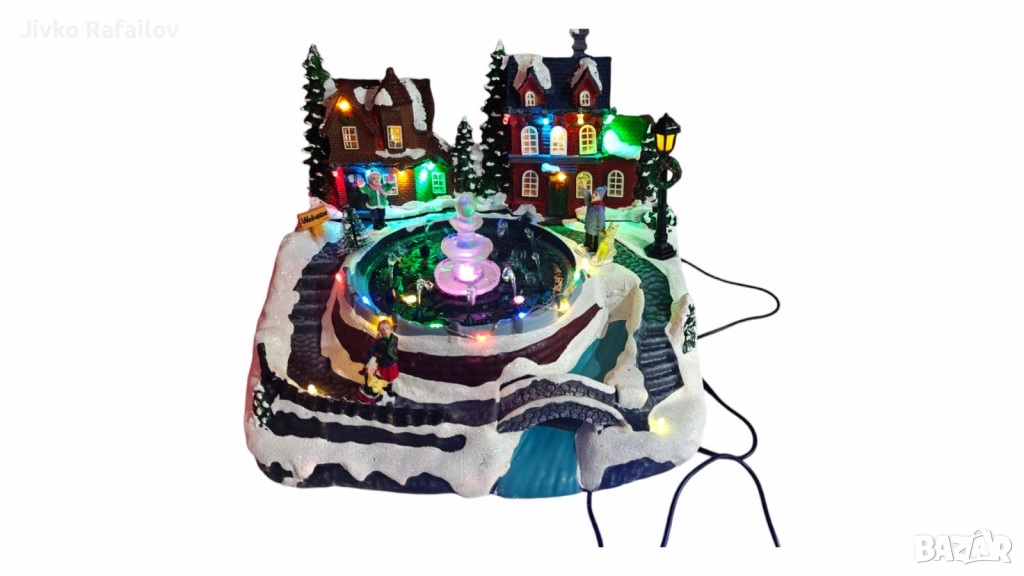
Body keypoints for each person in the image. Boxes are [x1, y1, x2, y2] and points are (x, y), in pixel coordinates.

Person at [362, 318, 399, 401]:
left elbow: (395, 350)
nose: (385, 331)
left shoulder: (395, 339)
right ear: (380, 331)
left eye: (387, 328)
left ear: (391, 328)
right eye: (382, 329)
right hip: (384, 363)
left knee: (391, 377)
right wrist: (366, 359)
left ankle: (389, 389)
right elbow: (372, 350)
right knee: (384, 377)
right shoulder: (379, 342)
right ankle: (382, 388)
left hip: (392, 363)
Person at [583, 185, 607, 253]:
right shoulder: (590, 204)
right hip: (588, 228)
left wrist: (601, 229)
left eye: (596, 194)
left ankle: (593, 251)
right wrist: (585, 189)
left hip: (594, 230)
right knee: (588, 240)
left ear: (600, 197)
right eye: (593, 193)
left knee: (593, 242)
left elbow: (601, 220)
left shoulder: (599, 208)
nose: (593, 195)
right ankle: (587, 246)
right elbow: (587, 197)